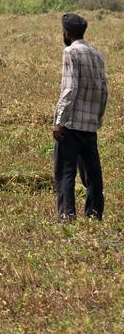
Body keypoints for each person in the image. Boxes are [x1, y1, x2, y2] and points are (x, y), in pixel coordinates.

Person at [52, 12, 108, 221]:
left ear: (66, 33)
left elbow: (70, 88)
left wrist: (59, 121)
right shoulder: (96, 54)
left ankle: (67, 216)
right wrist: (97, 118)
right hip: (90, 126)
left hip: (71, 126)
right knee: (93, 174)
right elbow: (103, 90)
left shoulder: (70, 53)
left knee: (65, 172)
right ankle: (94, 215)